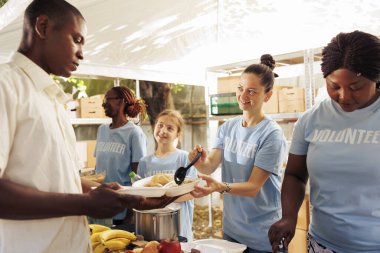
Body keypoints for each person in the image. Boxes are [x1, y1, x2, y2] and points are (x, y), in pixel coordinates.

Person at [0, 1, 176, 252]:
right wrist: (85, 204)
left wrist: (122, 195)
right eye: (77, 39)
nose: (82, 53)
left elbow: (62, 181)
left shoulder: (52, 99)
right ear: (42, 26)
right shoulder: (6, 85)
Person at [268, 30, 380, 253]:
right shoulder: (311, 120)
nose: (344, 97)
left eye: (356, 86)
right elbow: (295, 174)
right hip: (322, 245)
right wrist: (289, 216)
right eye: (334, 86)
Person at [189, 54, 288, 252]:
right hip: (232, 231)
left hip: (263, 235)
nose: (243, 96)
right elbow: (210, 165)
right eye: (240, 89)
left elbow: (253, 187)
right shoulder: (228, 127)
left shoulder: (271, 134)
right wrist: (198, 161)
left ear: (267, 96)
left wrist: (219, 187)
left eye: (252, 91)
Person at [137, 109, 197, 241]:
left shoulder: (184, 159)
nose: (163, 131)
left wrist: (159, 195)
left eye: (170, 128)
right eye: (160, 125)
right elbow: (139, 193)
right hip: (150, 225)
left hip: (178, 226)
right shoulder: (144, 162)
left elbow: (191, 192)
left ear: (178, 134)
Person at [94, 86, 147, 225]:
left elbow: (136, 175)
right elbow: (98, 168)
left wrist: (130, 213)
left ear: (122, 102)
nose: (104, 103)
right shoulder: (102, 130)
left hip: (121, 209)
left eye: (108, 99)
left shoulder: (134, 133)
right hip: (99, 206)